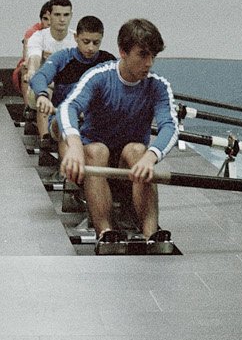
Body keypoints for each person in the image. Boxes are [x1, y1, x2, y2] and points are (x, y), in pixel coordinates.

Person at [58, 18, 178, 245]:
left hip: (130, 168)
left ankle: (151, 234)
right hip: (94, 165)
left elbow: (170, 127)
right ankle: (106, 232)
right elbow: (68, 107)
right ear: (123, 52)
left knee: (138, 150)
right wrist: (74, 147)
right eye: (142, 55)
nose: (149, 63)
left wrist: (151, 158)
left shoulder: (158, 86)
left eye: (153, 56)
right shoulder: (99, 77)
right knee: (96, 149)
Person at [28, 15, 116, 139]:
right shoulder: (62, 57)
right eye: (86, 42)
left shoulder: (108, 61)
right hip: (63, 116)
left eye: (96, 43)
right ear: (76, 38)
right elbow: (39, 77)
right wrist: (42, 95)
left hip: (95, 121)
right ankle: (46, 141)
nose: (91, 47)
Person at [22, 0, 74, 108]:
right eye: (57, 15)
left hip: (70, 87)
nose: (62, 19)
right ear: (49, 16)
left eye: (66, 15)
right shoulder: (38, 37)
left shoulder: (77, 39)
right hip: (45, 85)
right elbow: (34, 57)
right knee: (45, 97)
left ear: (71, 16)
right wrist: (32, 70)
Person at [10, 0, 55, 91]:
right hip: (33, 67)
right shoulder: (32, 32)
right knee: (26, 68)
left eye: (52, 19)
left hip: (51, 69)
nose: (49, 23)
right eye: (45, 19)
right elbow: (27, 56)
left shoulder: (61, 34)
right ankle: (27, 105)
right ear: (41, 19)